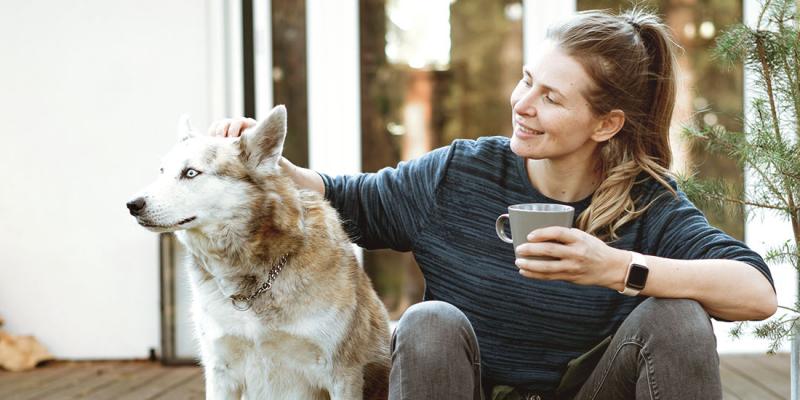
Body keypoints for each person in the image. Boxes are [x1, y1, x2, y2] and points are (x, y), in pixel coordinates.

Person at [209, 8, 777, 400]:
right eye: (527, 81)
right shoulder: (461, 172)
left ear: (606, 124)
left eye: (550, 97)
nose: (522, 104)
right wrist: (266, 164)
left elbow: (756, 294)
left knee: (678, 315)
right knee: (430, 320)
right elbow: (344, 198)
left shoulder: (643, 204)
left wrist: (616, 269)